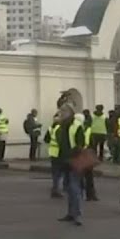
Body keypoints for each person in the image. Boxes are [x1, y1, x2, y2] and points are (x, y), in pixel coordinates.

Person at [51, 93, 89, 226]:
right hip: (64, 161)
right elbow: (61, 145)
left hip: (74, 160)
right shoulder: (61, 127)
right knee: (68, 187)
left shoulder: (76, 126)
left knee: (74, 187)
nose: (60, 113)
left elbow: (81, 143)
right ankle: (70, 213)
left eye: (62, 111)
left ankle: (77, 214)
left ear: (69, 112)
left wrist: (72, 156)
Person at [44, 110, 64, 198]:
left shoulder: (50, 128)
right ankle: (57, 190)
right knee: (60, 173)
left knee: (55, 172)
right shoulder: (59, 129)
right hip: (59, 153)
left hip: (52, 152)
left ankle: (55, 188)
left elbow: (46, 139)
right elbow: (61, 142)